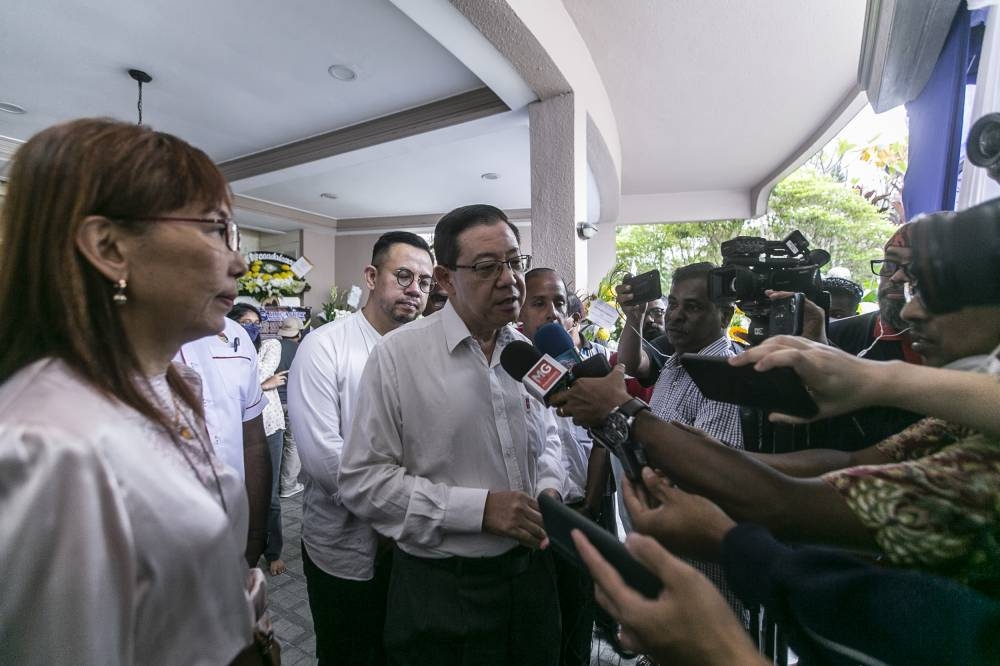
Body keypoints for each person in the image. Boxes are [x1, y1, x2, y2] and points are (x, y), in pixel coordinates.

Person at [0, 118, 270, 663]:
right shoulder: (50, 447)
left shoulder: (168, 384)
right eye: (216, 230)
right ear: (109, 247)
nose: (239, 261)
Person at [550, 274, 1000, 594]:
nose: (910, 309)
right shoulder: (956, 418)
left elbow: (781, 504)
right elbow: (850, 463)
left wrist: (626, 415)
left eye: (926, 286)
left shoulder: (726, 372)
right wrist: (701, 450)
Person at [339, 204, 565, 666]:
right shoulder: (397, 357)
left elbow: (550, 437)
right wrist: (479, 511)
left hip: (532, 577)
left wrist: (548, 488)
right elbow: (362, 482)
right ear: (444, 279)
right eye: (486, 267)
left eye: (514, 262)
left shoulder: (525, 352)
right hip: (442, 589)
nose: (509, 280)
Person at [287, 231, 434, 666]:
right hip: (345, 545)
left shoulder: (430, 352)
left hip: (417, 544)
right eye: (403, 276)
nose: (415, 290)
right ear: (372, 276)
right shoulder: (324, 348)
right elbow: (322, 458)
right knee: (348, 653)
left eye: (425, 283)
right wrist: (402, 509)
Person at [519, 267, 610, 665]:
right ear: (518, 311)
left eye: (559, 302)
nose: (552, 313)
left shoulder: (584, 362)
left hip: (582, 510)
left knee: (578, 621)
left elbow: (604, 437)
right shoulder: (514, 365)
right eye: (538, 303)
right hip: (533, 520)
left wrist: (589, 504)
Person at [177, 299, 270, 567]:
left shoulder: (234, 334)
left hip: (231, 530)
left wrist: (254, 534)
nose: (237, 266)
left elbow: (252, 441)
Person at [228, 303, 290, 576]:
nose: (250, 326)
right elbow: (235, 382)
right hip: (237, 428)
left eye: (255, 321)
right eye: (244, 321)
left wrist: (260, 382)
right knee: (241, 492)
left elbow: (257, 372)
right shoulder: (225, 347)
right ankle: (241, 548)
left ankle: (273, 551)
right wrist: (265, 385)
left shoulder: (270, 345)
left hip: (271, 426)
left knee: (270, 496)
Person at [275, 316, 304, 498]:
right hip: (293, 402)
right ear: (298, 333)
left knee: (276, 444)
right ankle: (288, 486)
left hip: (273, 402)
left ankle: (273, 484)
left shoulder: (273, 347)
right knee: (292, 443)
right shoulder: (302, 350)